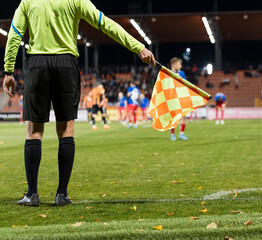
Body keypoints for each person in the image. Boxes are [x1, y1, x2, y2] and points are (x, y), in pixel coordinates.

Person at [2, 0, 155, 207]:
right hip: (66, 64)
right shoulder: (76, 0)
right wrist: (138, 47)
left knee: (34, 130)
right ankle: (62, 195)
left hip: (37, 64)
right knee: (66, 129)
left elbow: (14, 35)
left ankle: (32, 194)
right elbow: (106, 25)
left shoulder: (28, 1)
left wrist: (9, 70)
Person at [170, 57, 188, 141]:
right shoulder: (168, 73)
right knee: (173, 117)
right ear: (174, 64)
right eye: (179, 64)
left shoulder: (182, 73)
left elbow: (185, 84)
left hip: (181, 97)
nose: (181, 66)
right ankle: (172, 134)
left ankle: (181, 133)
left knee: (184, 116)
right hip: (172, 98)